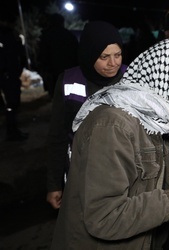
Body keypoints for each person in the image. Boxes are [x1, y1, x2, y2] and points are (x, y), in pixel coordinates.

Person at [50, 38, 169, 249]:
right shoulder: (112, 126)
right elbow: (104, 218)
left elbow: (156, 181)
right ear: (166, 83)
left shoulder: (153, 119)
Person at [46, 21, 127, 209]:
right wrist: (54, 184)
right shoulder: (68, 81)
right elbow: (57, 136)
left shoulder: (133, 77)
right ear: (89, 54)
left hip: (123, 173)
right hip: (81, 175)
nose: (113, 63)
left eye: (118, 55)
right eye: (104, 57)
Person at [0, 12, 29, 141]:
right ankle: (11, 132)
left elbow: (19, 54)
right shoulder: (7, 36)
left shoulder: (10, 35)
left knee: (12, 104)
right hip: (7, 75)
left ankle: (13, 130)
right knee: (12, 104)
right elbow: (16, 54)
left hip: (9, 74)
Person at [37, 13, 79, 99]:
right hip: (69, 70)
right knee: (71, 95)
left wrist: (44, 68)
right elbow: (77, 52)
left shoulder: (46, 36)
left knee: (57, 95)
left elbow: (43, 54)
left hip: (53, 72)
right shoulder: (69, 35)